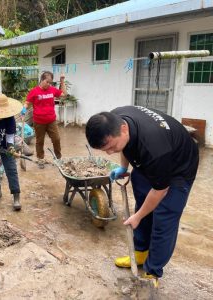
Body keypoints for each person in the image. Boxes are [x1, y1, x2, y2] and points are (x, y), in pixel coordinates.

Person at [85, 106, 199, 287]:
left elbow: (160, 190)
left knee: (164, 217)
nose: (109, 153)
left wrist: (137, 217)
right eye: (104, 149)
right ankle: (140, 251)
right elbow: (125, 147)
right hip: (152, 160)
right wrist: (123, 167)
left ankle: (153, 271)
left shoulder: (154, 147)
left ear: (124, 129)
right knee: (143, 201)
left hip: (179, 168)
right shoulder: (115, 119)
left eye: (111, 147)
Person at [21, 71, 67, 168]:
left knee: (56, 139)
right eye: (47, 82)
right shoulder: (34, 91)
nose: (49, 84)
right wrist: (24, 109)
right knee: (39, 141)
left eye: (50, 82)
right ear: (42, 80)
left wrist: (62, 81)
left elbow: (64, 94)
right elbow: (27, 102)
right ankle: (40, 159)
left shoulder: (52, 90)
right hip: (39, 122)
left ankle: (58, 158)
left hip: (51, 121)